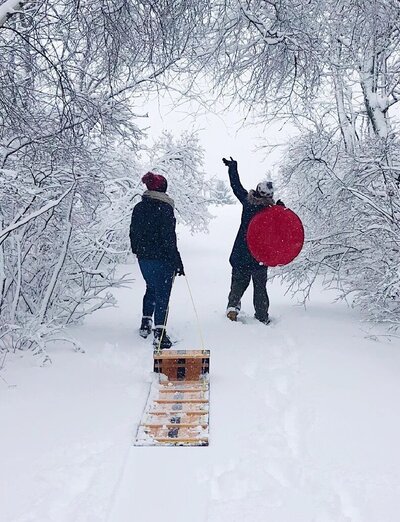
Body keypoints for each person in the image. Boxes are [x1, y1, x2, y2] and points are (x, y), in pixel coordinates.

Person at [222, 156, 284, 324]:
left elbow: (236, 186)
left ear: (257, 190)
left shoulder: (248, 203)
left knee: (238, 283)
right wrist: (282, 210)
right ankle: (262, 315)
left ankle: (232, 308)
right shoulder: (272, 212)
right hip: (260, 256)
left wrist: (232, 167)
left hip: (242, 252)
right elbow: (283, 231)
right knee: (260, 288)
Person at [129, 171, 184, 349]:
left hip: (144, 258)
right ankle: (160, 334)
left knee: (151, 287)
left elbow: (133, 233)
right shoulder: (165, 208)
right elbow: (169, 237)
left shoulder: (139, 207)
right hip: (163, 258)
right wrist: (176, 260)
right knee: (163, 293)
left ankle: (146, 323)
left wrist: (138, 251)